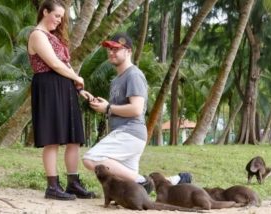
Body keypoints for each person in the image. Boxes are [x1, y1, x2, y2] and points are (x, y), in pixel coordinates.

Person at [82, 32, 192, 193]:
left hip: (129, 133)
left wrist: (108, 108)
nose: (111, 52)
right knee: (131, 186)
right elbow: (118, 108)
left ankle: (143, 182)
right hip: (126, 134)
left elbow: (136, 109)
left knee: (91, 159)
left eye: (116, 49)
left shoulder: (133, 75)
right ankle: (179, 180)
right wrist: (103, 105)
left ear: (128, 51)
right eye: (109, 49)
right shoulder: (117, 79)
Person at [27, 0, 95, 200]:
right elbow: (54, 64)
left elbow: (65, 63)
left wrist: (79, 87)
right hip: (48, 86)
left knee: (73, 137)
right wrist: (76, 77)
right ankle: (52, 186)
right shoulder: (37, 35)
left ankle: (73, 183)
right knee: (53, 139)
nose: (59, 21)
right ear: (45, 12)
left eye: (61, 17)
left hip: (65, 86)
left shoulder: (53, 37)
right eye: (57, 16)